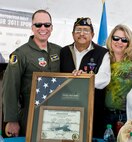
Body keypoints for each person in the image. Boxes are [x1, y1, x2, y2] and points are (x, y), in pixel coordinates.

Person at [2, 9, 61, 137]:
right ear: (32, 28)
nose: (43, 28)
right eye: (38, 25)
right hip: (30, 114)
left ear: (51, 27)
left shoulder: (59, 51)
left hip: (57, 114)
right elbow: (10, 88)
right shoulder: (20, 54)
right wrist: (11, 120)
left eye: (47, 25)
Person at [60, 17, 111, 138]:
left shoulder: (102, 53)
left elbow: (104, 79)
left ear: (92, 34)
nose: (82, 33)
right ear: (72, 34)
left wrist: (84, 79)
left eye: (86, 30)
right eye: (78, 30)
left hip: (92, 109)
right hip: (66, 107)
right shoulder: (63, 51)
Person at [104, 24, 132, 136]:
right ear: (111, 38)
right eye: (116, 38)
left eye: (124, 40)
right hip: (103, 114)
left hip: (127, 115)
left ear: (129, 43)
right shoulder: (103, 58)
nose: (119, 42)